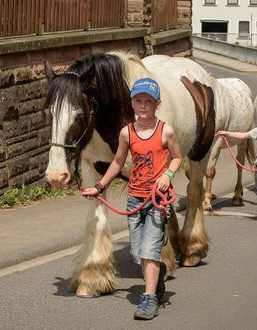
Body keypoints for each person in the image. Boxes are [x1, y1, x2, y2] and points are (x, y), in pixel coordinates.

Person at [81, 78, 182, 320]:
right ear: (132, 103)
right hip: (134, 200)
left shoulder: (165, 131)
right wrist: (99, 185)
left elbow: (177, 157)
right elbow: (117, 162)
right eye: (139, 101)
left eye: (149, 101)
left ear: (158, 104)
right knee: (137, 253)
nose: (143, 106)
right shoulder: (126, 132)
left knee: (149, 251)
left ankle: (148, 299)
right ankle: (157, 274)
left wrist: (167, 175)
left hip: (157, 200)